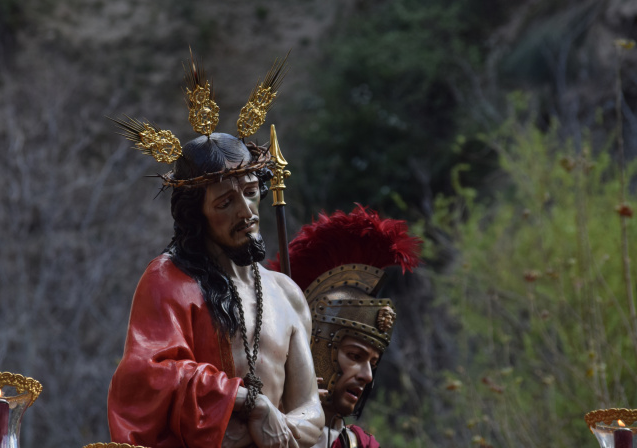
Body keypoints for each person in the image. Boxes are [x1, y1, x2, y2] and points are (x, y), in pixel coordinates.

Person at [107, 52, 324, 448]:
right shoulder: (169, 279)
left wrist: (271, 429)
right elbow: (145, 377)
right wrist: (252, 404)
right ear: (198, 216)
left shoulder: (288, 295)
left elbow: (312, 416)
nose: (245, 211)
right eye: (224, 203)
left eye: (250, 192)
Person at [268, 205, 421, 448]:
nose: (367, 375)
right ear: (312, 347)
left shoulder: (361, 445)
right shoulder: (261, 427)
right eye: (354, 355)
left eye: (372, 364)